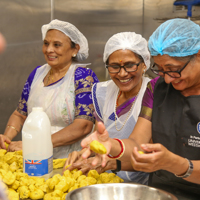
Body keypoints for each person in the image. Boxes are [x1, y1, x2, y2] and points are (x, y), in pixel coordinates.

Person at [81, 18, 200, 200]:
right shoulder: (157, 88)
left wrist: (176, 164)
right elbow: (137, 143)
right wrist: (112, 145)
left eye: (173, 69)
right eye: (160, 69)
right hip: (161, 193)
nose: (167, 79)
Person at [0, 19, 99, 158]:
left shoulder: (83, 77)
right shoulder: (37, 74)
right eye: (46, 43)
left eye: (57, 45)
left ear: (75, 49)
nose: (49, 49)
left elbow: (83, 126)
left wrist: (36, 143)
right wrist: (7, 137)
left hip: (70, 161)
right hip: (34, 158)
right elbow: (20, 114)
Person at [63, 32, 151, 185]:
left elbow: (147, 153)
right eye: (114, 67)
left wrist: (111, 162)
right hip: (104, 179)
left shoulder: (153, 94)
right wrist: (84, 154)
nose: (122, 73)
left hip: (139, 184)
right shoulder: (102, 92)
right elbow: (101, 139)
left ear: (144, 64)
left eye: (130, 65)